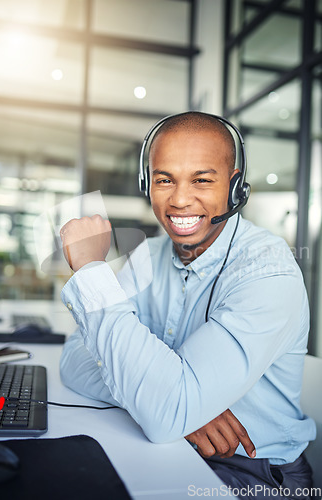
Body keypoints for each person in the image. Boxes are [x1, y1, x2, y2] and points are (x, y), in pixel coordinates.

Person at [59, 112, 316, 499]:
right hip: (171, 449)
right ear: (147, 183)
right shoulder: (149, 255)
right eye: (164, 179)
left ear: (234, 187)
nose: (179, 199)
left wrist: (92, 270)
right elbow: (74, 357)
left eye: (202, 180)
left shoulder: (267, 271)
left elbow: (165, 411)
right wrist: (172, 404)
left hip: (255, 474)